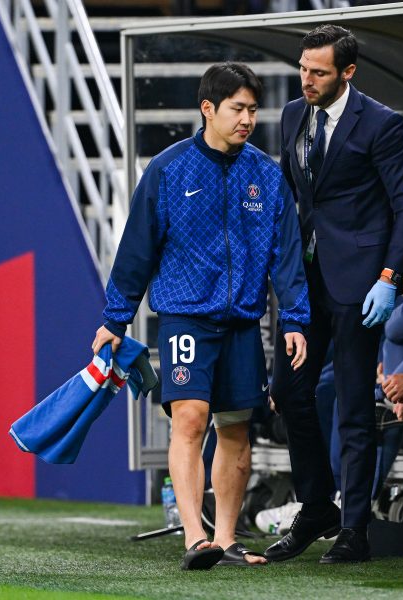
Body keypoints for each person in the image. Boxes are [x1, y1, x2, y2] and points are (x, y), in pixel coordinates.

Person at [91, 63, 309, 570]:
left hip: (242, 325)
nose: (248, 119)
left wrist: (295, 319)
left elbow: (288, 254)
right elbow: (136, 251)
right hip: (186, 319)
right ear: (208, 109)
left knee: (236, 428)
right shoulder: (169, 171)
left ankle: (227, 540)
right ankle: (196, 536)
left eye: (254, 109)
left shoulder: (266, 175)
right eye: (238, 109)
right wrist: (115, 318)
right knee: (189, 420)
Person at [266, 24, 403, 564]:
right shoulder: (291, 115)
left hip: (361, 285)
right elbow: (290, 197)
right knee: (287, 391)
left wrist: (390, 276)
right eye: (303, 69)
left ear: (347, 73)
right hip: (303, 284)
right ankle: (317, 508)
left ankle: (354, 530)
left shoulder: (383, 124)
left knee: (354, 407)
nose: (306, 80)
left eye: (319, 72)